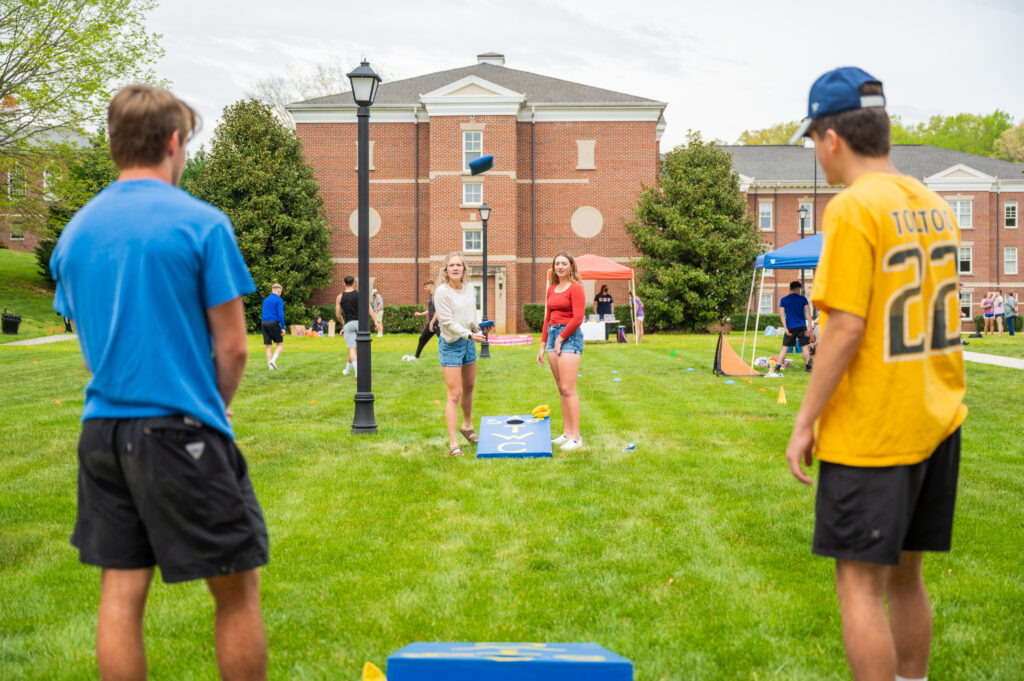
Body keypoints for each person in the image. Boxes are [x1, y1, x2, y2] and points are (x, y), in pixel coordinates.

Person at [49, 84, 268, 681]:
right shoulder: (202, 224)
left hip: (102, 435)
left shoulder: (76, 233)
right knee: (236, 591)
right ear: (174, 142)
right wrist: (205, 410)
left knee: (121, 594)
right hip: (181, 431)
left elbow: (93, 346)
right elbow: (235, 347)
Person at [785, 67, 966, 681]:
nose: (817, 152)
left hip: (875, 429)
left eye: (814, 140)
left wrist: (804, 422)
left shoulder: (853, 208)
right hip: (937, 418)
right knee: (906, 577)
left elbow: (845, 326)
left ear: (832, 138)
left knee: (858, 586)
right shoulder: (933, 203)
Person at [434, 252, 485, 456]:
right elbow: (446, 322)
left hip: (468, 342)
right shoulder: (441, 292)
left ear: (464, 269)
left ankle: (467, 426)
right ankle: (453, 443)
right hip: (451, 344)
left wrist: (477, 328)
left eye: (459, 265)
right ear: (446, 269)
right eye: (451, 265)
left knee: (469, 387)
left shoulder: (468, 289)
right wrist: (470, 335)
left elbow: (470, 316)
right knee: (454, 394)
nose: (455, 268)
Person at [537, 252, 586, 451]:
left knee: (568, 388)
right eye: (557, 263)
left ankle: (576, 437)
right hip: (552, 336)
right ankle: (566, 433)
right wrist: (542, 345)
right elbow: (547, 318)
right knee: (560, 388)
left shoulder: (576, 288)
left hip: (569, 337)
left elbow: (578, 317)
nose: (560, 266)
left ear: (571, 266)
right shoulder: (551, 289)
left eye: (564, 263)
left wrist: (561, 337)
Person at [776, 281, 814, 371]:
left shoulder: (784, 300)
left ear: (790, 288)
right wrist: (809, 327)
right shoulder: (803, 299)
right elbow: (808, 314)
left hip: (790, 327)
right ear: (798, 289)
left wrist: (785, 328)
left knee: (785, 347)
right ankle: (808, 367)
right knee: (804, 346)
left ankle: (777, 366)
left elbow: (782, 315)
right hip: (801, 326)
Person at [335, 276, 359, 376]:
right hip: (360, 323)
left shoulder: (340, 297)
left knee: (351, 349)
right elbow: (368, 308)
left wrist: (343, 323)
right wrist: (375, 320)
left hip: (349, 323)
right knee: (353, 349)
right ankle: (347, 371)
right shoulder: (359, 294)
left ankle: (358, 372)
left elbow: (338, 314)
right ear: (354, 283)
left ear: (343, 283)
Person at [410, 280, 439, 360]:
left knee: (444, 341)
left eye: (426, 287)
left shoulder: (436, 295)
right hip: (432, 322)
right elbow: (431, 310)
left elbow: (438, 310)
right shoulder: (431, 296)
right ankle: (416, 357)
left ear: (431, 285)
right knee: (422, 338)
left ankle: (451, 358)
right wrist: (420, 314)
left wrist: (432, 322)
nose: (425, 289)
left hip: (437, 322)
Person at [261, 283, 285, 369]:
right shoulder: (279, 300)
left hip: (264, 323)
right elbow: (280, 314)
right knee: (280, 344)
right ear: (278, 290)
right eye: (280, 291)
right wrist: (282, 327)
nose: (280, 293)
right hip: (273, 323)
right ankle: (273, 361)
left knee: (268, 346)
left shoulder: (265, 300)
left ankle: (270, 368)